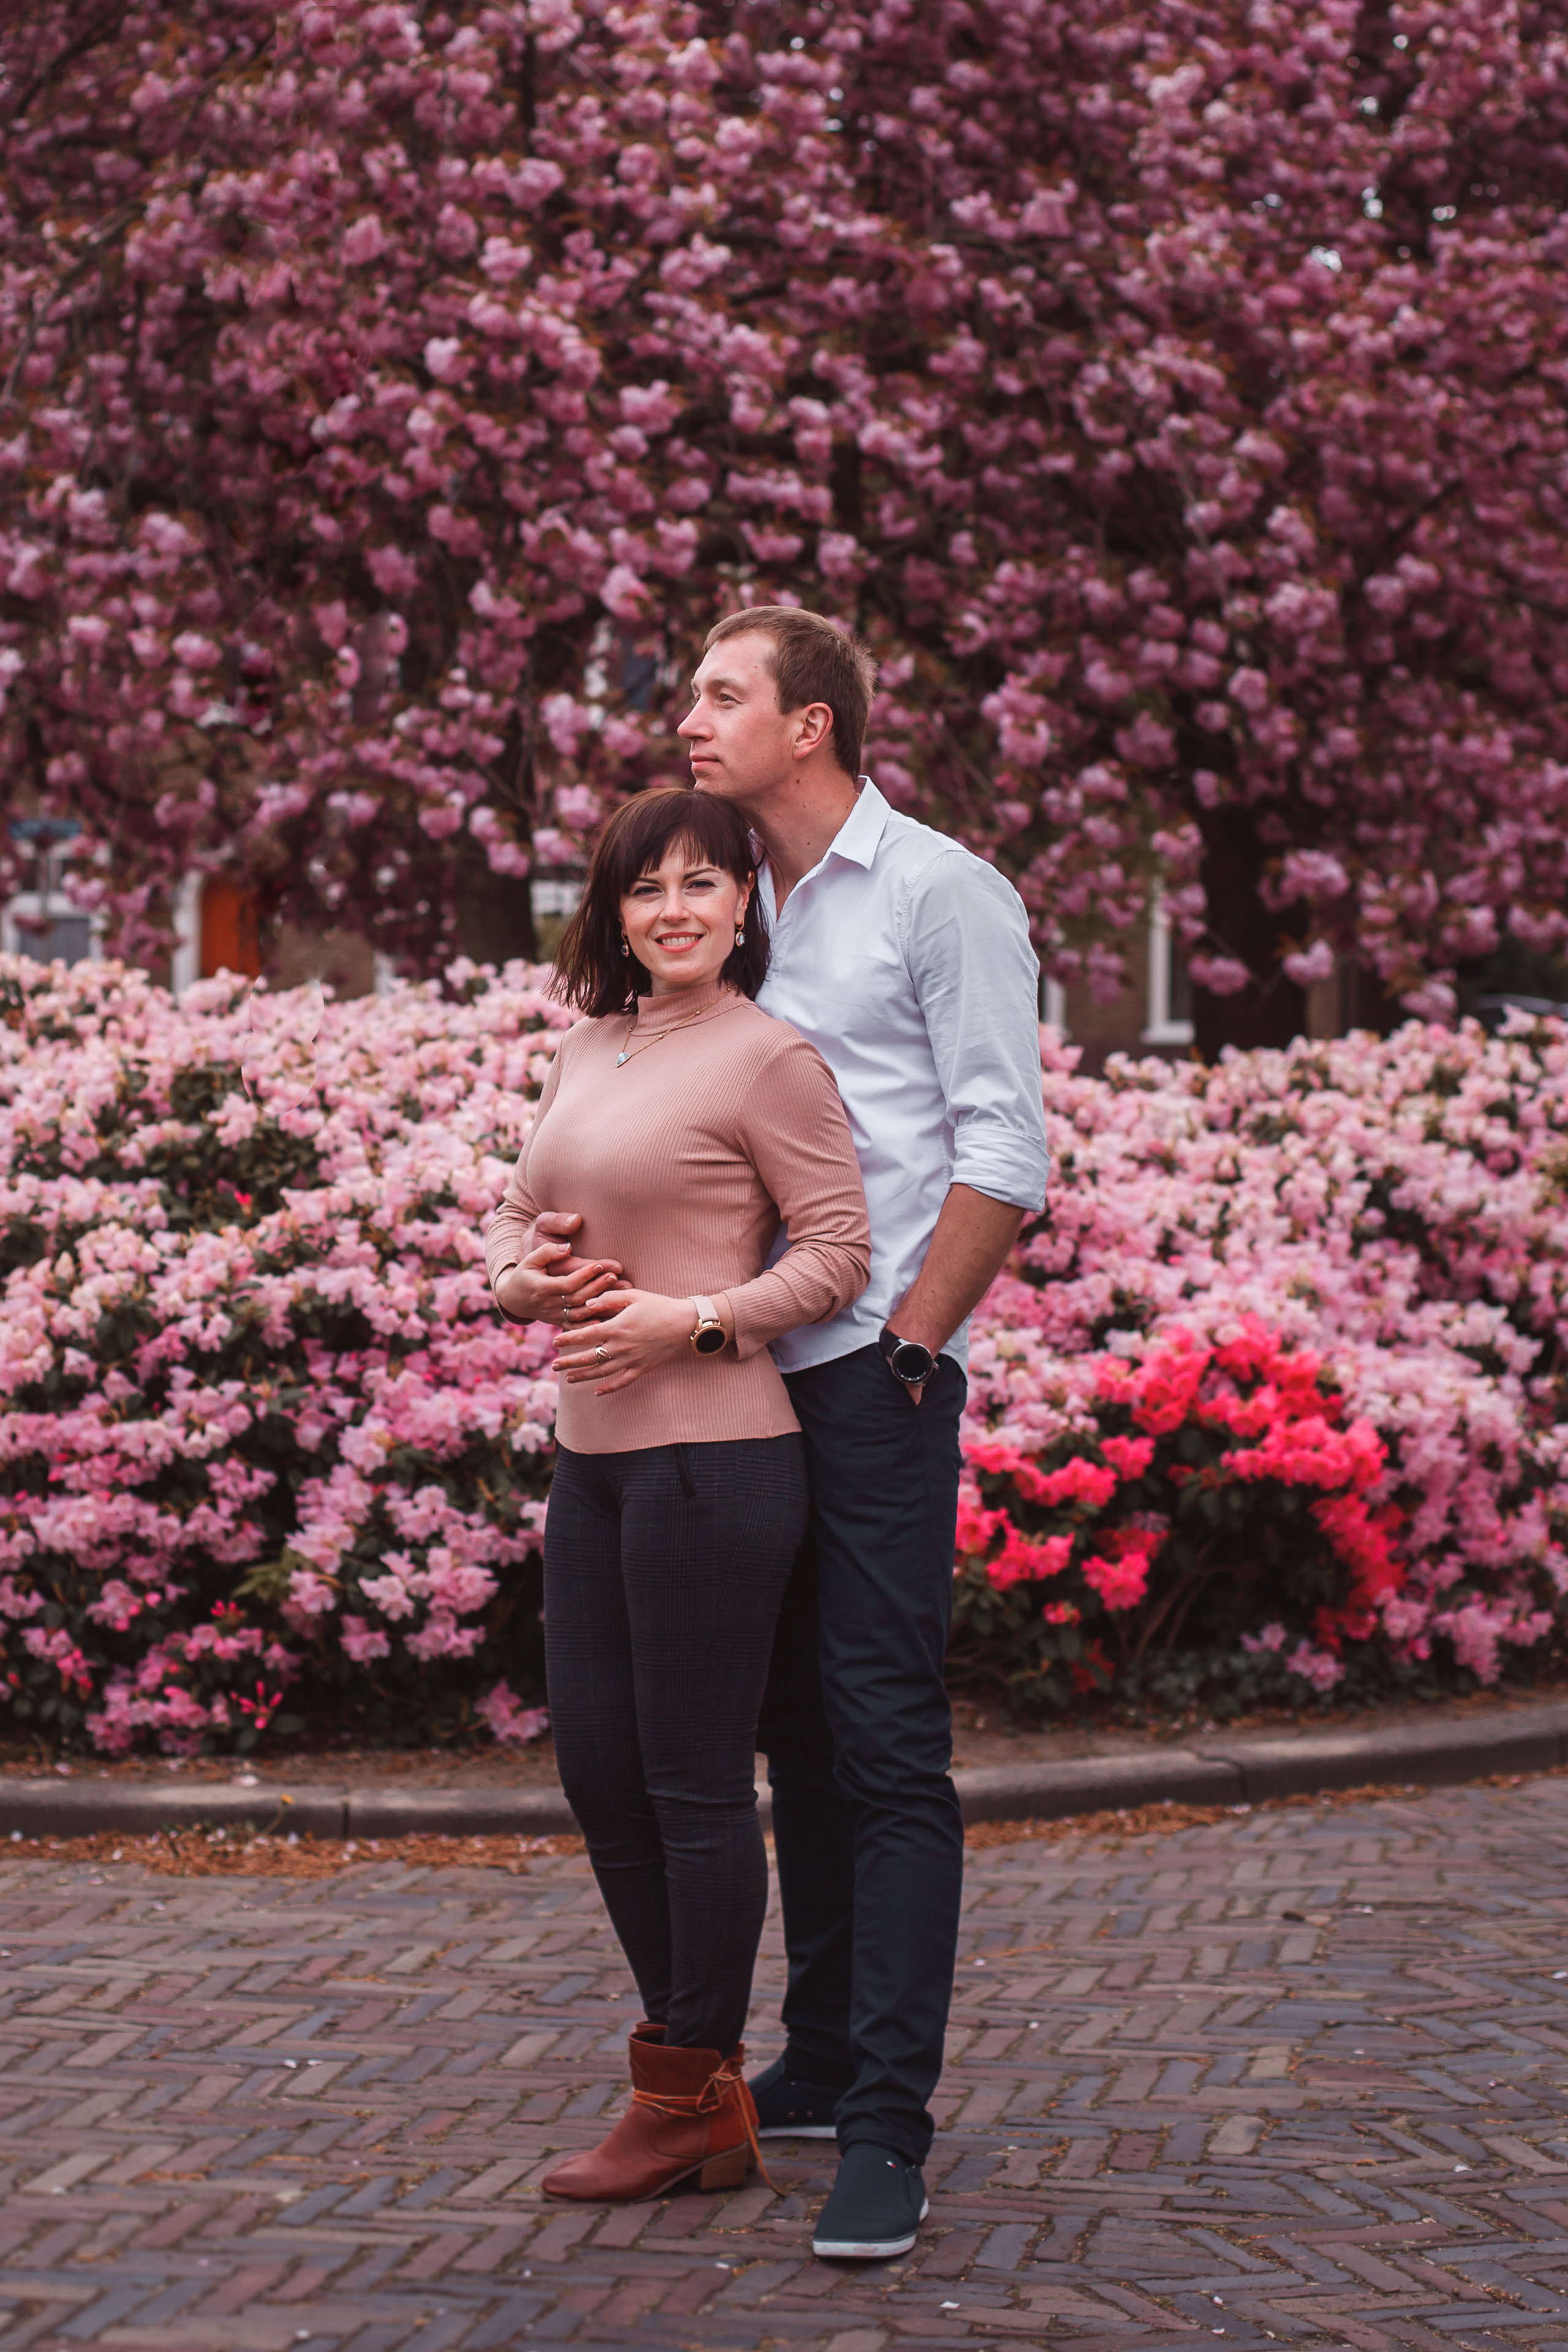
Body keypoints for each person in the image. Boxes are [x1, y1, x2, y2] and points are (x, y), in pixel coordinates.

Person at [529, 607, 1052, 2260]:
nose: (691, 719)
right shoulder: (740, 904)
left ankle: (885, 2130)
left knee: (887, 1749)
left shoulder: (937, 891)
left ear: (812, 726)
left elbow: (1003, 1150)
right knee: (787, 1741)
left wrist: (907, 1354)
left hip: (868, 1374)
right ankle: (815, 2058)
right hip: (728, 1387)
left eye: (723, 695)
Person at [485, 785, 870, 2205]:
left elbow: (836, 1252)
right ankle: (701, 2098)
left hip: (715, 1458)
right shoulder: (591, 1042)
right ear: (617, 912)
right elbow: (517, 1205)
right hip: (592, 1461)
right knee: (599, 1775)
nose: (676, 910)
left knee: (692, 1783)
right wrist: (511, 1276)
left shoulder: (769, 1062)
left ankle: (680, 2083)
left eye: (705, 885)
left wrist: (691, 1320)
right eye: (650, 889)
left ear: (741, 908)